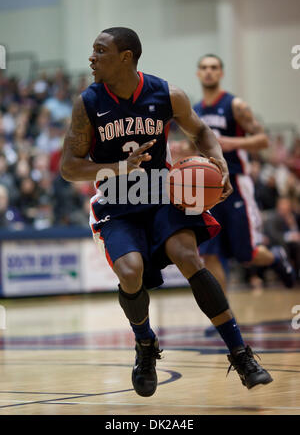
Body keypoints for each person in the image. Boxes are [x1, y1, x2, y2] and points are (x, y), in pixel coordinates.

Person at [60, 28, 272, 397]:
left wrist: (218, 160)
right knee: (130, 272)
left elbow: (202, 131)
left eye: (100, 51)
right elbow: (68, 167)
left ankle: (240, 353)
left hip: (163, 193)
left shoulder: (167, 94)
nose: (91, 57)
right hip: (118, 201)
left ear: (126, 57)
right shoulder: (88, 103)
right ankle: (145, 345)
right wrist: (118, 168)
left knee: (187, 255)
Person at [194, 54, 296, 293]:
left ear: (221, 73)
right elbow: (196, 145)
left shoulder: (235, 106)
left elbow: (263, 140)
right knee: (209, 255)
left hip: (236, 183)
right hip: (206, 187)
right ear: (198, 73)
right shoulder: (195, 110)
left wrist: (231, 142)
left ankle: (276, 257)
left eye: (214, 67)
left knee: (246, 254)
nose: (209, 71)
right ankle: (222, 315)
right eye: (204, 68)